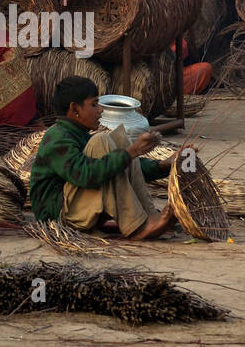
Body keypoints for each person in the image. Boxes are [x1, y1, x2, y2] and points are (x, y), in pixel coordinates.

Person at [29, 76, 175, 241]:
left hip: (78, 206)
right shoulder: (57, 138)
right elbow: (86, 174)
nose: (100, 110)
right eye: (94, 104)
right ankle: (137, 226)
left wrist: (163, 165)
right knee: (103, 141)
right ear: (75, 109)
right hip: (59, 216)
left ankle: (149, 214)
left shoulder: (79, 134)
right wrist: (132, 151)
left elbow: (120, 164)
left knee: (119, 141)